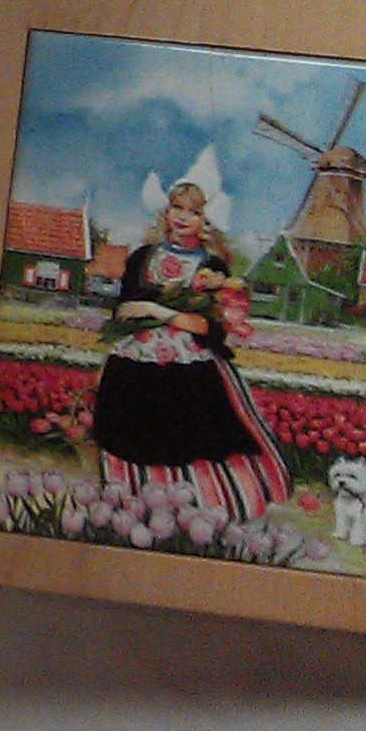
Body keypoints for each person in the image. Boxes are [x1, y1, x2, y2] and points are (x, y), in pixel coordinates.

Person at [90, 180, 290, 519]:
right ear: (166, 213)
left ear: (204, 220)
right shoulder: (143, 258)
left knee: (190, 426)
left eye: (193, 212)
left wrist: (155, 311)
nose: (183, 217)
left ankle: (203, 500)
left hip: (189, 357)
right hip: (139, 355)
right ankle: (134, 490)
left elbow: (207, 327)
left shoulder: (213, 268)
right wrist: (142, 313)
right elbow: (123, 310)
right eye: (176, 208)